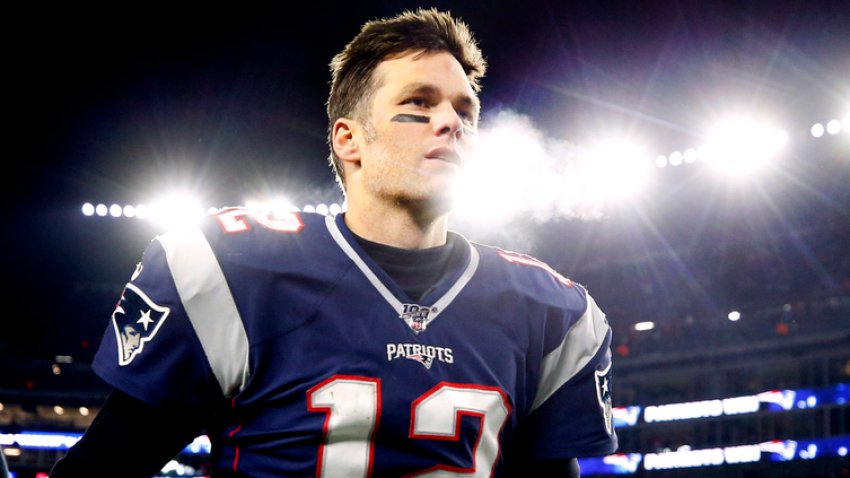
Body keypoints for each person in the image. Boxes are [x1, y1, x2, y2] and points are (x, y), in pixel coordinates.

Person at [51, 8, 616, 477]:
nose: (451, 122)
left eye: (464, 110)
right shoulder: (234, 269)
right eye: (418, 105)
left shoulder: (549, 309)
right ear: (349, 140)